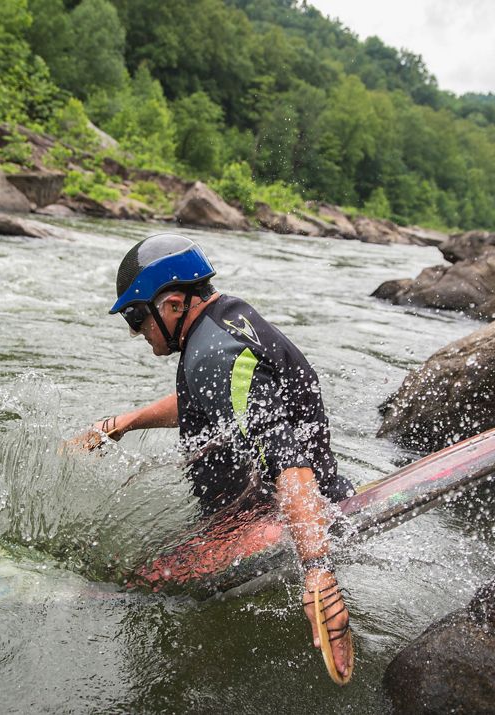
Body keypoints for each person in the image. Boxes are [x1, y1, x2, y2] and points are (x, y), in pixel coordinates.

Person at [69, 233, 355, 683]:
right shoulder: (226, 322)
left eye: (135, 315)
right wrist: (123, 423)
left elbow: (287, 460)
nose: (133, 330)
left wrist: (318, 571)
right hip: (296, 500)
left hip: (265, 521)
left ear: (173, 303)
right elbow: (208, 401)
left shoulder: (214, 356)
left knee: (108, 590)